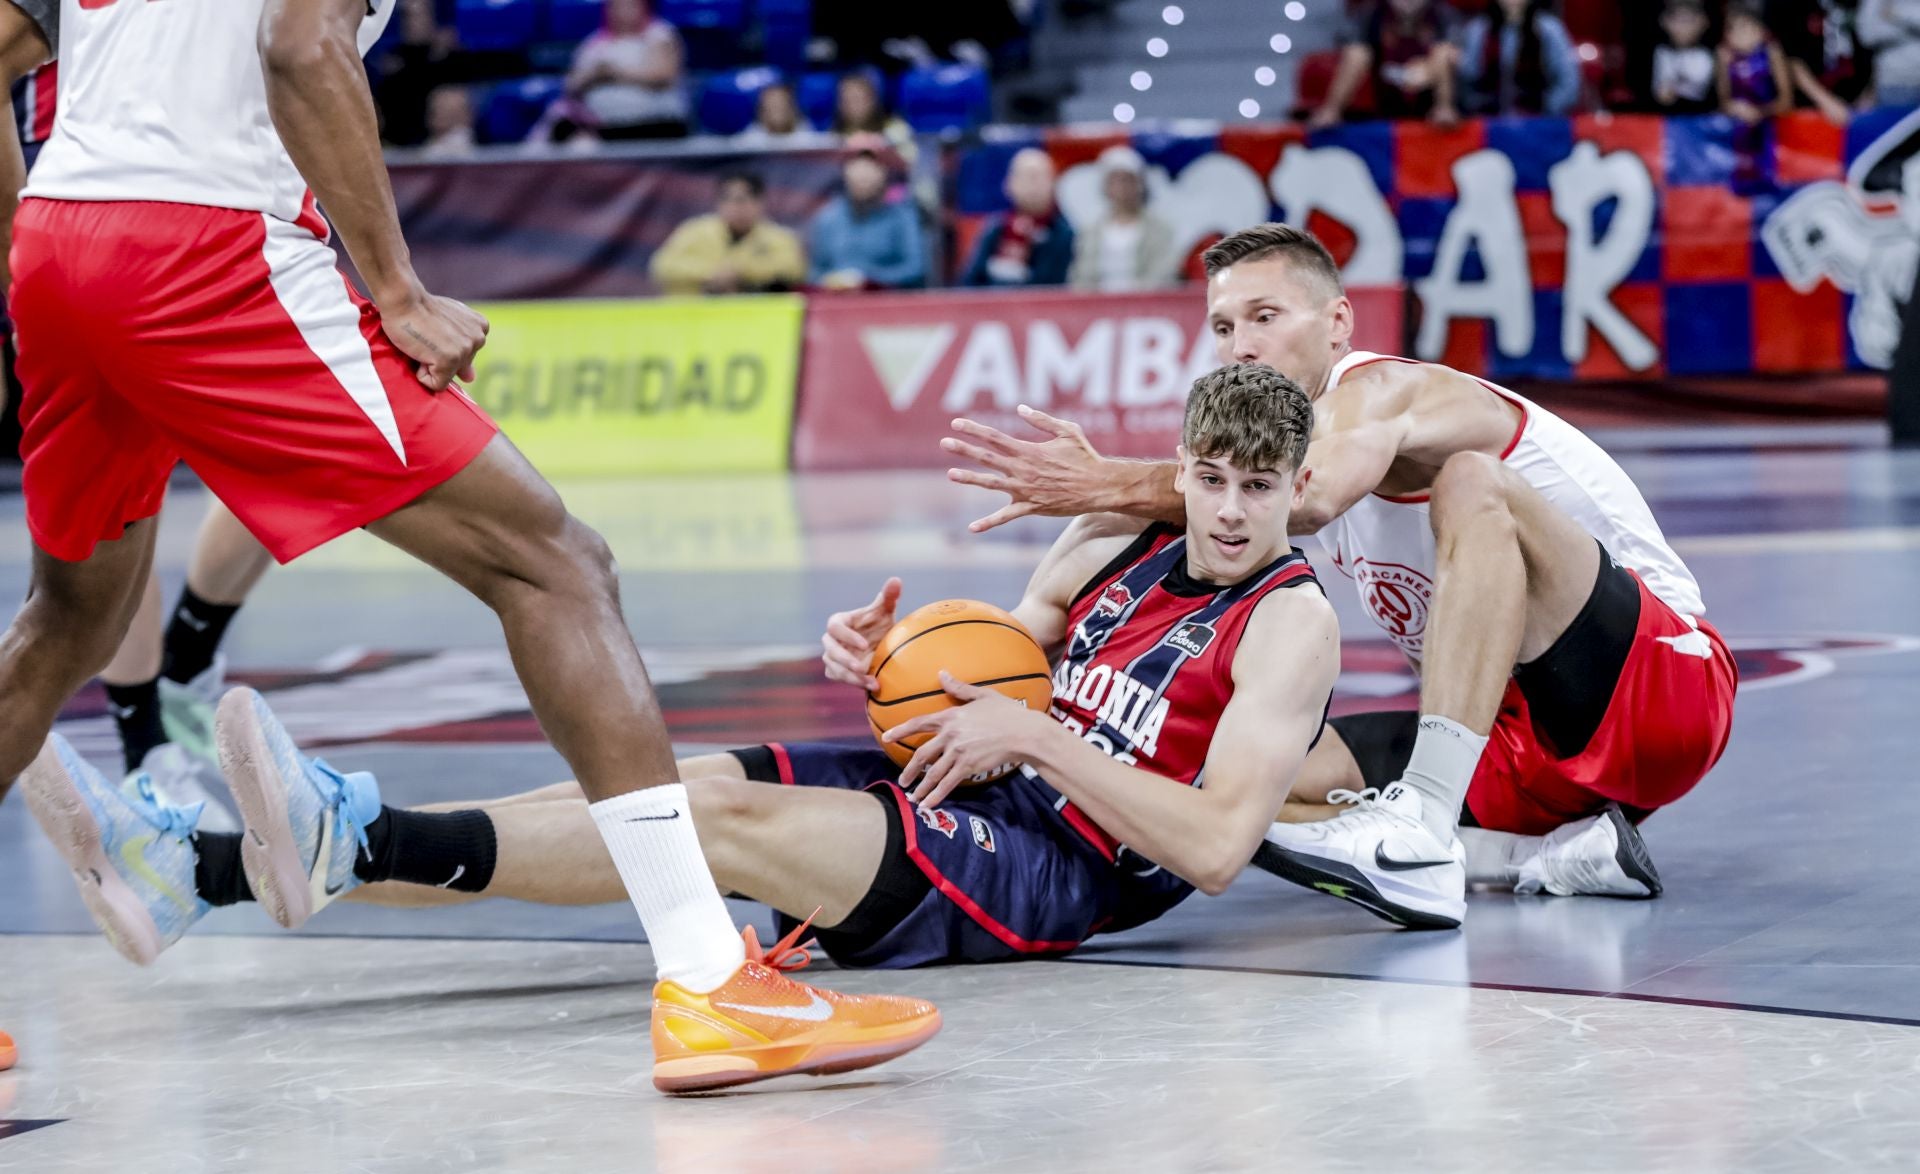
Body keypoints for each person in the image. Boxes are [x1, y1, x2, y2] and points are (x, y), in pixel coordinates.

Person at [0, 0, 937, 1094]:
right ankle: (706, 979)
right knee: (553, 563)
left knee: (64, 621)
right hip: (206, 250)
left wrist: (25, 238)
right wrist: (396, 291)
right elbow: (301, 43)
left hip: (62, 245)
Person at [66, 364, 1345, 974]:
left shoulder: (1291, 621)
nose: (1231, 512)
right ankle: (208, 871)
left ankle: (331, 837)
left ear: (1300, 487)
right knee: (659, 786)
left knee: (715, 823)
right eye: (1212, 481)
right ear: (1182, 471)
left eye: (1258, 489)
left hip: (1059, 868)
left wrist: (1045, 742)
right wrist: (892, 661)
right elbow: (1006, 659)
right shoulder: (1119, 533)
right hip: (991, 775)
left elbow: (1220, 846)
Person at [939, 223, 1734, 929]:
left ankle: (1423, 826)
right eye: (1223, 327)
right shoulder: (1271, 462)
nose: (1241, 346)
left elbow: (1311, 496)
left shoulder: (1383, 391)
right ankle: (1543, 857)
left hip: (1662, 692)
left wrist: (1107, 481)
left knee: (1470, 481)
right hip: (1519, 748)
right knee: (1237, 781)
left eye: (1264, 317)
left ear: (1338, 323)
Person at [548, 0, 689, 142]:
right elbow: (571, 85)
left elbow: (662, 75)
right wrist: (593, 75)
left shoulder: (659, 34)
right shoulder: (594, 43)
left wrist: (614, 72)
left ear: (643, 8)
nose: (622, 12)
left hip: (656, 124)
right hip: (602, 128)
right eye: (615, 6)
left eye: (629, 6)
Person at [649, 171, 806, 296]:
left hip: (754, 318)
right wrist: (711, 273)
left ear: (760, 203)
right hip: (695, 319)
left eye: (743, 200)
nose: (736, 208)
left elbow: (793, 268)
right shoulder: (695, 231)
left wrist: (740, 271)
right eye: (728, 200)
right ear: (718, 203)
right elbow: (662, 265)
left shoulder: (778, 237)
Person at [1310, 0, 1460, 128]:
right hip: (1386, 90)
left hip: (1428, 95)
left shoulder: (1442, 15)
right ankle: (1331, 111)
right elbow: (1351, 49)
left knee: (1445, 52)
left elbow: (1458, 54)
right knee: (1357, 52)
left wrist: (1427, 70)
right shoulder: (1372, 14)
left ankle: (1444, 108)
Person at [807, 134, 925, 290]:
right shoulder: (827, 218)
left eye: (871, 167)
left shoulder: (903, 217)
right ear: (844, 172)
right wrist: (832, 281)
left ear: (884, 173)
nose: (862, 175)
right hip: (838, 305)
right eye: (855, 166)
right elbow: (815, 273)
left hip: (888, 304)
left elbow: (915, 269)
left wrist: (867, 279)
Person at [1067, 145, 1179, 294]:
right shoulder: (1089, 232)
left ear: (1140, 184)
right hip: (1098, 308)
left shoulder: (1161, 230)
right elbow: (1079, 276)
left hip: (1146, 307)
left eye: (1127, 180)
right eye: (1115, 180)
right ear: (1105, 186)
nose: (1121, 187)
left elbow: (1164, 275)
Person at [960, 147, 1073, 289]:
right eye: (1026, 176)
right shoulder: (996, 228)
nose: (1033, 184)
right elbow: (970, 282)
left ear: (1053, 183)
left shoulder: (1064, 233)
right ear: (1008, 184)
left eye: (1039, 176)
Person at [1456, 0, 1582, 117]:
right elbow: (1467, 81)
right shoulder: (1478, 30)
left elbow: (1568, 83)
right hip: (1489, 123)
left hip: (1538, 120)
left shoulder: (1550, 29)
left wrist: (1547, 109)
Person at [1771, 0, 1872, 123]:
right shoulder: (1786, 5)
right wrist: (1826, 102)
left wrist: (1868, 92)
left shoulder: (1849, 4)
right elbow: (1788, 60)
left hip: (1856, 105)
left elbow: (1867, 49)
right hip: (1812, 110)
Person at [1720, 2, 1795, 122]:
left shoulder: (1772, 51)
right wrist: (1735, 108)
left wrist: (1760, 112)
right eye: (1731, 28)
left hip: (1771, 122)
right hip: (1737, 124)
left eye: (1744, 28)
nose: (1737, 34)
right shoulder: (1724, 55)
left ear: (1760, 31)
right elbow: (1723, 102)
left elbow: (1786, 101)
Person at [1652, 0, 1717, 113]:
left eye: (1688, 21)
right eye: (1677, 20)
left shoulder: (1711, 55)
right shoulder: (1659, 52)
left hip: (1700, 117)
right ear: (1664, 21)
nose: (1682, 28)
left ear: (1703, 22)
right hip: (1663, 117)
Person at [732, 80, 819, 146]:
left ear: (793, 109)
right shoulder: (749, 142)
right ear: (761, 112)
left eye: (782, 105)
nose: (777, 110)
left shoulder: (810, 138)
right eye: (771, 106)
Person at [420, 84, 475, 157]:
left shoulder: (456, 146)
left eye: (445, 110)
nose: (432, 116)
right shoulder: (433, 144)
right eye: (433, 110)